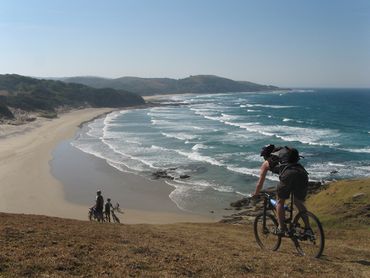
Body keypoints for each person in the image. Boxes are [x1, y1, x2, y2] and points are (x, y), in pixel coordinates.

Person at [253, 144, 309, 235]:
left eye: (263, 156)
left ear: (266, 155)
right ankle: (308, 229)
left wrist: (256, 194)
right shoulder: (284, 156)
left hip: (288, 175)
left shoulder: (267, 162)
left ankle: (282, 228)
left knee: (280, 202)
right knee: (298, 202)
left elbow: (260, 182)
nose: (263, 158)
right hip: (302, 173)